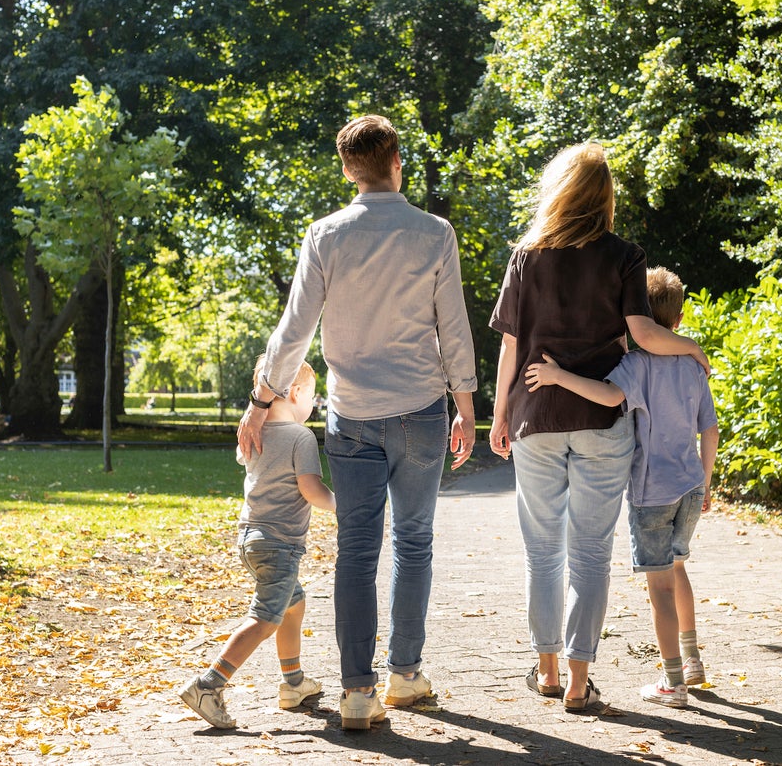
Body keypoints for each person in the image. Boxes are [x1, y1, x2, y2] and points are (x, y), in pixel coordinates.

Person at [238, 115, 477, 730]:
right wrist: (467, 403)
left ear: (348, 169)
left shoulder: (325, 235)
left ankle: (356, 693)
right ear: (397, 159)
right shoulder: (435, 233)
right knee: (414, 542)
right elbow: (453, 325)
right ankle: (404, 674)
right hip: (422, 410)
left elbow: (296, 330)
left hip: (353, 419)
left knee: (357, 550)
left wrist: (262, 400)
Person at [488, 143, 709, 713]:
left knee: (542, 554)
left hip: (535, 416)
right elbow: (644, 336)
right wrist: (693, 349)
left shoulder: (525, 256)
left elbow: (511, 348)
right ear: (605, 196)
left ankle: (547, 671)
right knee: (590, 554)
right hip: (601, 420)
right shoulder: (625, 256)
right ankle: (581, 684)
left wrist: (499, 415)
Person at [525, 266, 719, 709]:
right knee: (678, 568)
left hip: (653, 494)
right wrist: (705, 483)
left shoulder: (634, 365)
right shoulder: (693, 365)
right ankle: (691, 660)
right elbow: (711, 432)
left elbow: (609, 397)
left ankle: (673, 684)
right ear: (680, 318)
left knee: (660, 590)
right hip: (690, 486)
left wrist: (558, 378)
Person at [178, 358, 336, 729]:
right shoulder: (301, 437)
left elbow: (244, 458)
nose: (313, 404)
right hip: (280, 544)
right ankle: (208, 685)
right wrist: (344, 506)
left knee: (293, 605)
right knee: (265, 619)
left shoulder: (254, 430)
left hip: (251, 540)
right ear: (295, 393)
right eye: (312, 396)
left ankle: (293, 683)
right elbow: (311, 489)